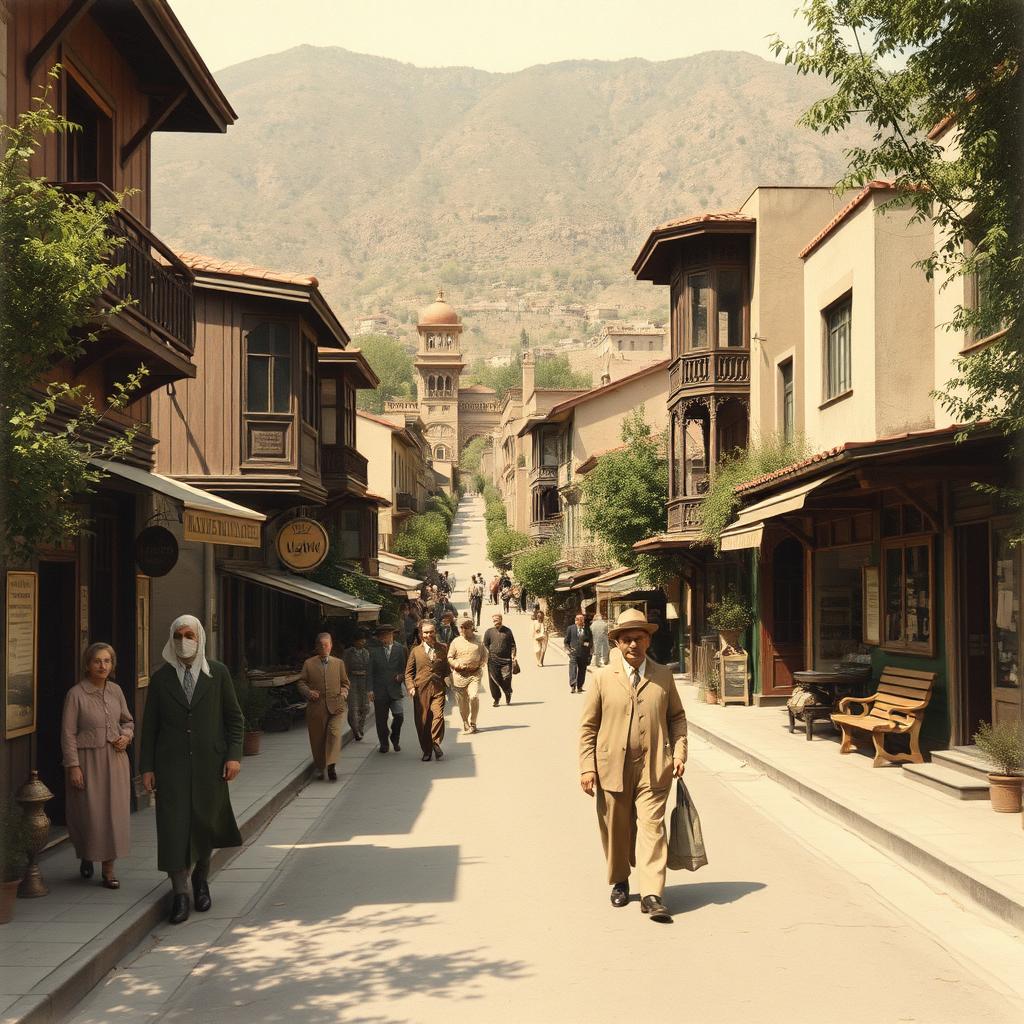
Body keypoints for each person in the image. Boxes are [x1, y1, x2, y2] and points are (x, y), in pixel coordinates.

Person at [578, 608, 688, 923]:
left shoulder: (663, 676)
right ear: (616, 643)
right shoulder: (601, 678)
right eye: (626, 640)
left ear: (648, 639)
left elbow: (677, 717)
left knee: (653, 826)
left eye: (638, 639)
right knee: (617, 829)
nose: (633, 646)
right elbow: (588, 727)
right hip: (611, 766)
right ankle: (620, 879)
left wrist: (679, 753)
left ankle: (652, 894)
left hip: (654, 766)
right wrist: (587, 767)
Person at [141, 615, 243, 924]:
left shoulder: (218, 674)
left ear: (199, 638)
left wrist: (233, 756)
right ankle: (180, 893)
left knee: (204, 825)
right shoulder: (161, 680)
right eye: (178, 635)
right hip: (170, 767)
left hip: (209, 766)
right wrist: (146, 767)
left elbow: (234, 719)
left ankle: (201, 880)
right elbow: (150, 728)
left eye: (189, 635)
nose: (183, 641)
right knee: (173, 829)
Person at [61, 642, 133, 889]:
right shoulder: (76, 694)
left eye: (107, 661)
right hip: (88, 761)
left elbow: (128, 721)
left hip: (116, 760)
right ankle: (87, 854)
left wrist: (127, 735)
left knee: (114, 814)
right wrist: (73, 766)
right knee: (90, 813)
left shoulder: (116, 691)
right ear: (87, 664)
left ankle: (109, 870)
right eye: (97, 661)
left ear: (112, 665)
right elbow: (68, 733)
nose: (102, 666)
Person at [297, 632, 350, 781]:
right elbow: (301, 682)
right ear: (316, 647)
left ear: (331, 646)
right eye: (321, 645)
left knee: (334, 734)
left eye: (327, 644)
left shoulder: (338, 663)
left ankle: (331, 765)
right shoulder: (309, 664)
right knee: (318, 739)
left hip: (337, 706)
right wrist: (308, 692)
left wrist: (344, 692)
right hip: (317, 708)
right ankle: (321, 766)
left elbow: (345, 682)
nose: (324, 647)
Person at [405, 620, 449, 761]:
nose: (429, 635)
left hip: (438, 688)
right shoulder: (415, 651)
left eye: (431, 632)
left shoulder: (442, 648)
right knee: (423, 721)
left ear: (435, 632)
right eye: (426, 632)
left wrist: (448, 680)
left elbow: (446, 669)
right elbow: (408, 673)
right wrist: (411, 687)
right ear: (421, 634)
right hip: (421, 690)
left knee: (438, 715)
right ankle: (427, 750)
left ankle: (435, 743)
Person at [369, 622, 407, 753]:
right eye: (382, 636)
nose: (385, 638)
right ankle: (384, 743)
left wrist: (401, 677)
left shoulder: (400, 649)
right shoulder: (373, 652)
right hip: (379, 691)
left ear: (392, 635)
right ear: (379, 638)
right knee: (381, 720)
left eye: (388, 635)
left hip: (395, 689)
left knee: (399, 717)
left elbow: (405, 668)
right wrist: (369, 690)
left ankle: (395, 738)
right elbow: (369, 671)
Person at [448, 617, 487, 733]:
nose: (463, 630)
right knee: (462, 703)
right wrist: (456, 665)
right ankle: (465, 721)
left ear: (471, 628)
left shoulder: (479, 641)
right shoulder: (455, 642)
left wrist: (482, 663)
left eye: (466, 628)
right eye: (461, 628)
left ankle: (473, 723)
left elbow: (485, 655)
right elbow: (450, 657)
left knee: (474, 696)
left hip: (474, 674)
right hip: (459, 676)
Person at [482, 612, 517, 706]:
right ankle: (496, 699)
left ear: (501, 619)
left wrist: (514, 656)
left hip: (506, 660)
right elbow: (485, 644)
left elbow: (513, 644)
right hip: (493, 660)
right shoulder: (489, 632)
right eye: (493, 620)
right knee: (493, 680)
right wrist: (488, 654)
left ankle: (507, 692)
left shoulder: (508, 631)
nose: (495, 621)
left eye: (496, 619)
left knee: (506, 679)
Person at [343, 630, 371, 741]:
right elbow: (344, 669)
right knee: (353, 707)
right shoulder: (348, 653)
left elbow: (370, 668)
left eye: (363, 639)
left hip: (364, 681)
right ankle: (356, 731)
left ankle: (360, 727)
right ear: (355, 641)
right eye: (360, 640)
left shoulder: (366, 652)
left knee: (365, 707)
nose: (362, 642)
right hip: (352, 681)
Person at [565, 612, 593, 693]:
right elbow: (566, 641)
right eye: (579, 620)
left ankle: (580, 686)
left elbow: (590, 642)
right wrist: (568, 650)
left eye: (582, 620)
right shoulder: (570, 628)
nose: (581, 621)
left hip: (584, 653)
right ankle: (573, 686)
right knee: (573, 669)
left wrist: (586, 645)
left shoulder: (587, 629)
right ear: (576, 621)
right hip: (573, 653)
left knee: (582, 670)